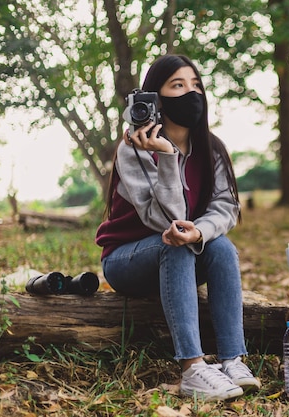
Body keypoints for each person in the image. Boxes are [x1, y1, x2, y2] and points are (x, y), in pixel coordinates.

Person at [95, 54, 260, 401]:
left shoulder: (211, 147)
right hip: (126, 260)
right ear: (155, 96)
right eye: (178, 85)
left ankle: (232, 358)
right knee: (174, 242)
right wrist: (167, 155)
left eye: (196, 84)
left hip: (182, 251)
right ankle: (193, 368)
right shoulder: (133, 148)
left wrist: (200, 231)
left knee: (222, 246)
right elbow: (162, 220)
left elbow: (226, 207)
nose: (191, 93)